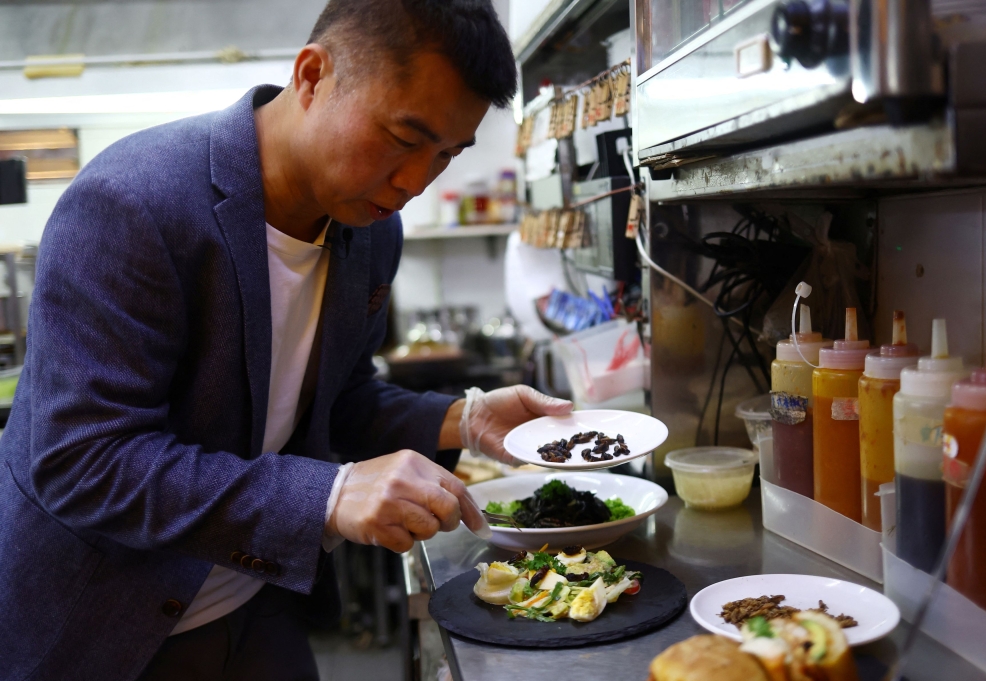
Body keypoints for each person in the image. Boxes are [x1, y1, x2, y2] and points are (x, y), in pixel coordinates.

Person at [0, 1, 573, 679]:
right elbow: (83, 460)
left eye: (446, 154)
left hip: (255, 599)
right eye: (402, 136)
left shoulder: (370, 229)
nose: (416, 182)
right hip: (102, 620)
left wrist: (463, 418)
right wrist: (328, 495)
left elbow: (337, 397)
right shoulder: (133, 203)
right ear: (311, 75)